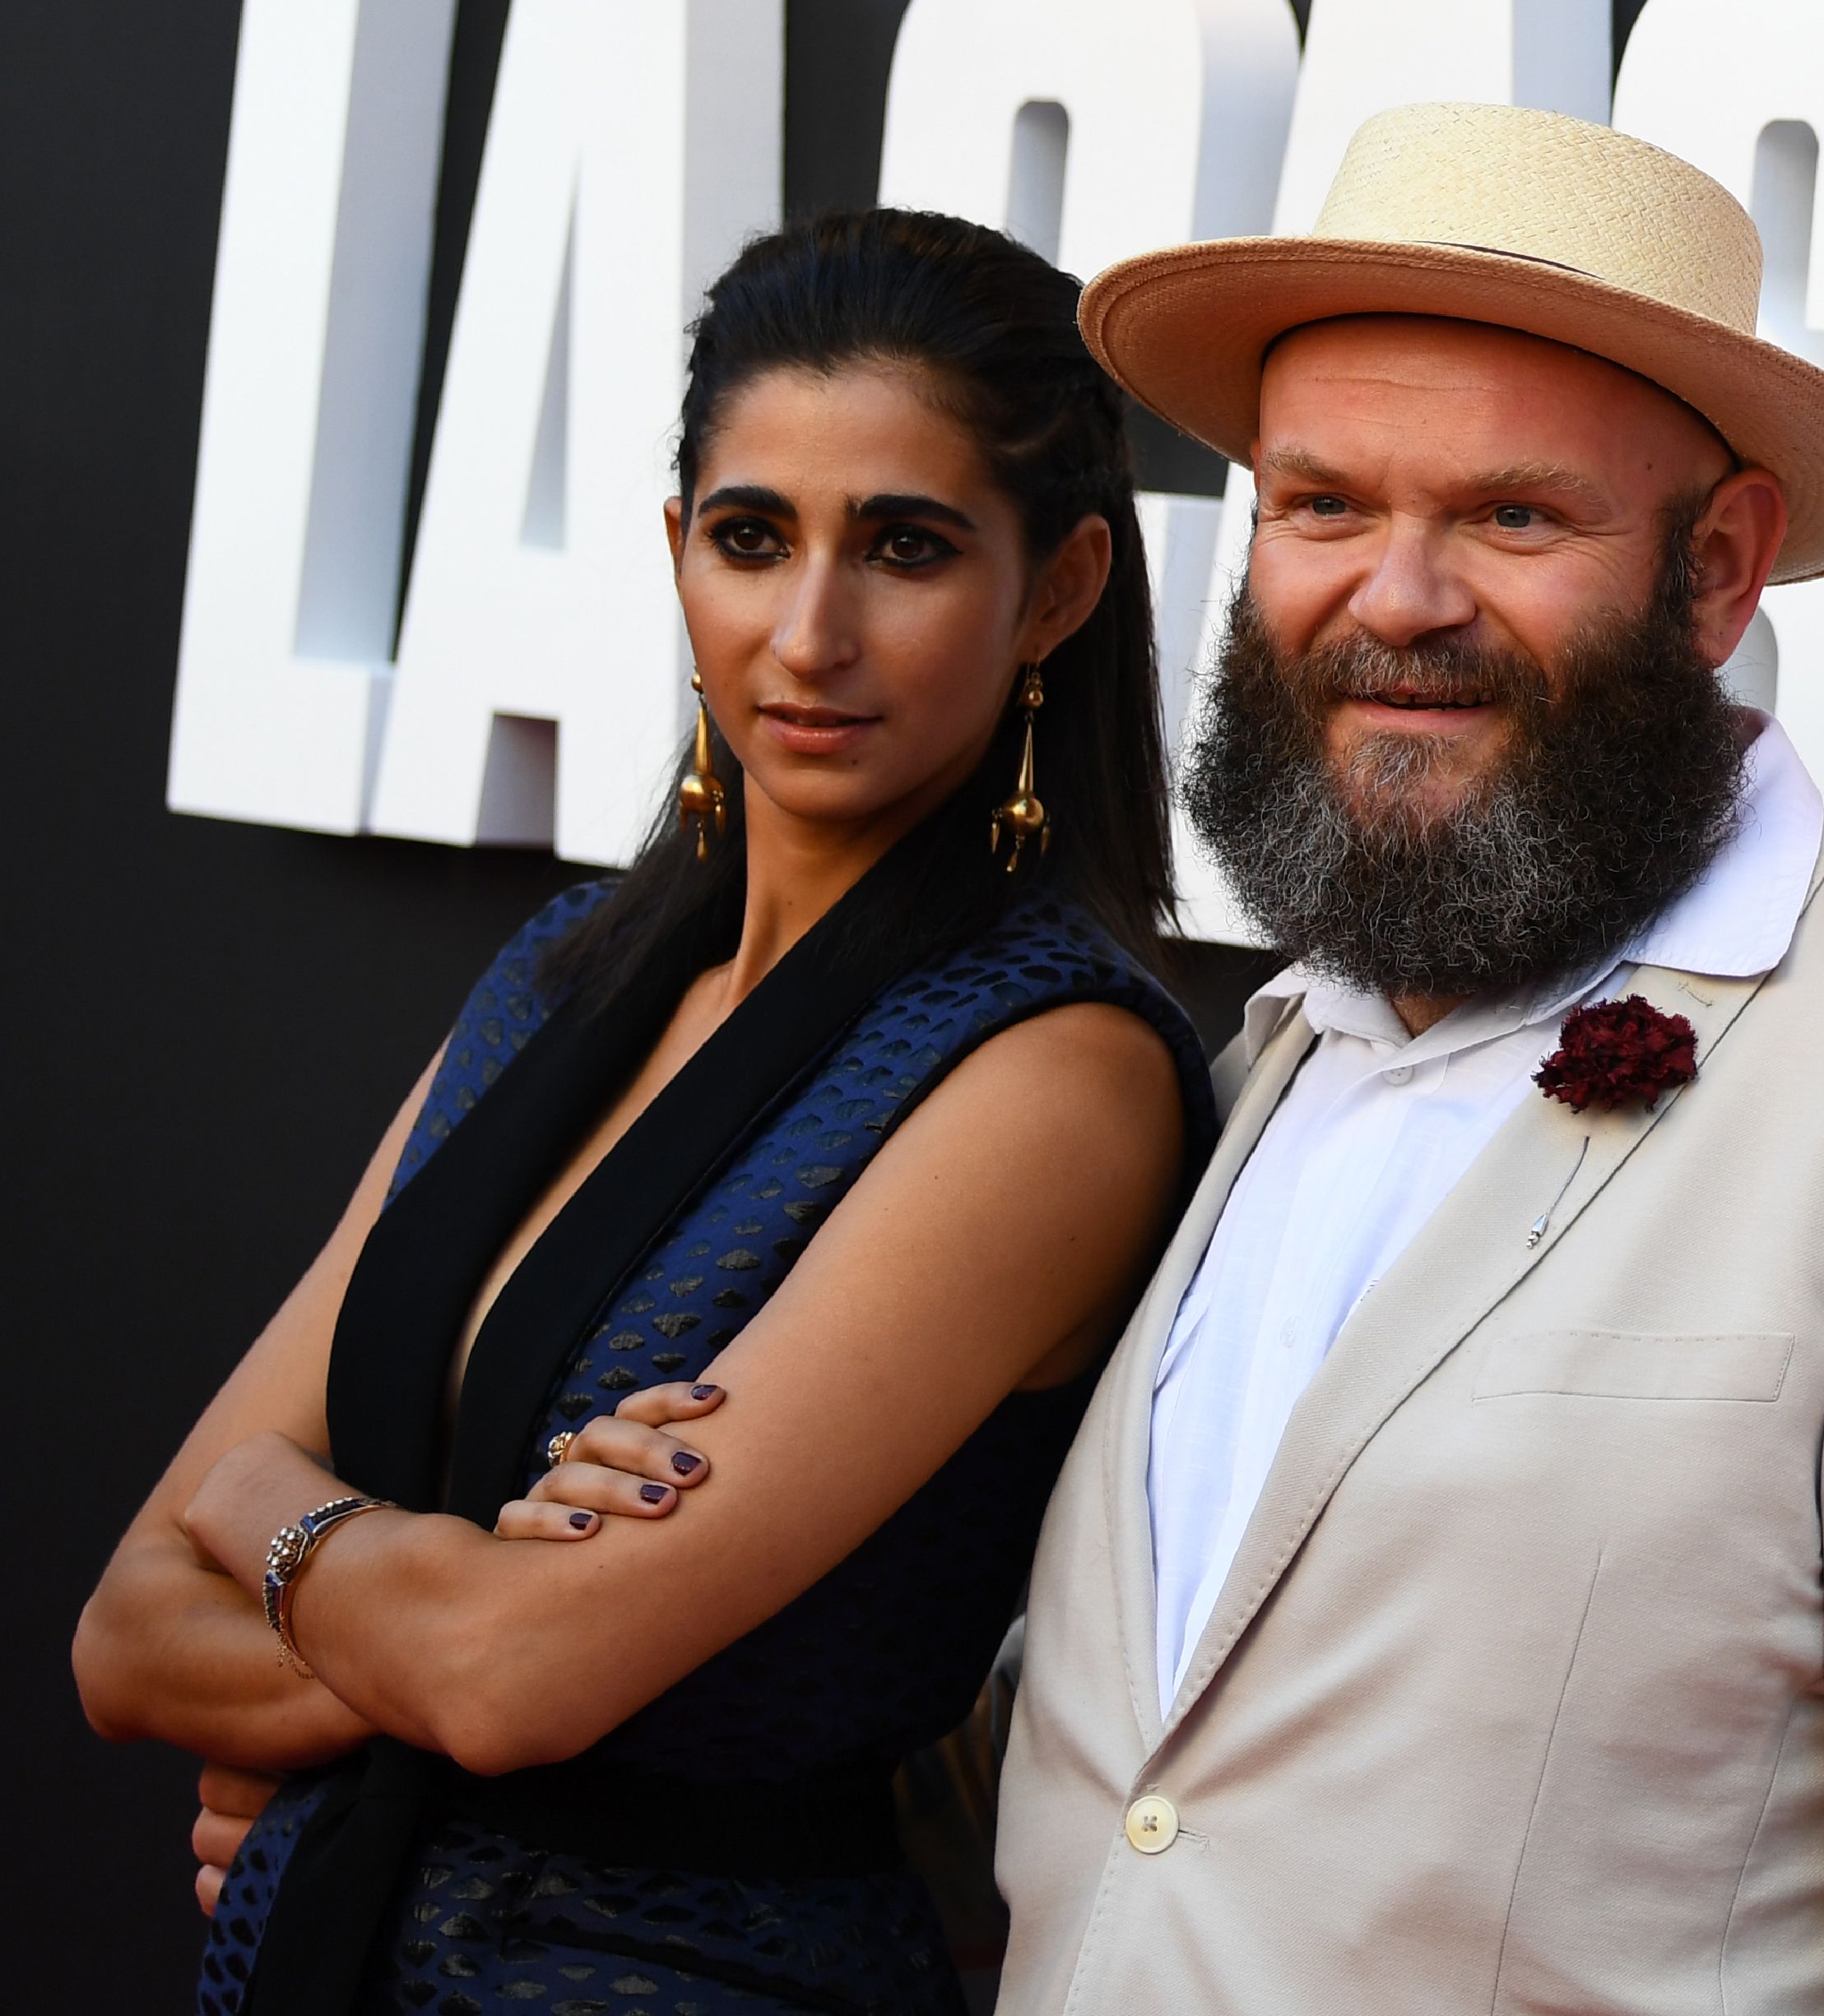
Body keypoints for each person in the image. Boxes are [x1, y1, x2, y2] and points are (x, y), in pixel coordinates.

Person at [979, 101, 1824, 2013]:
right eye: (1325, 504)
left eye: (1513, 514)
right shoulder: (1264, 1062)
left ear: (1722, 568)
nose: (1394, 599)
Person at [75, 208, 1217, 2015]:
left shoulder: (1057, 1071)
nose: (810, 628)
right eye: (753, 537)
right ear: (677, 546)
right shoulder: (563, 976)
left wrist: (269, 1510)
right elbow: (127, 1630)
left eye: (906, 546)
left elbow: (507, 1677)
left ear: (1058, 590)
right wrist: (432, 1620)